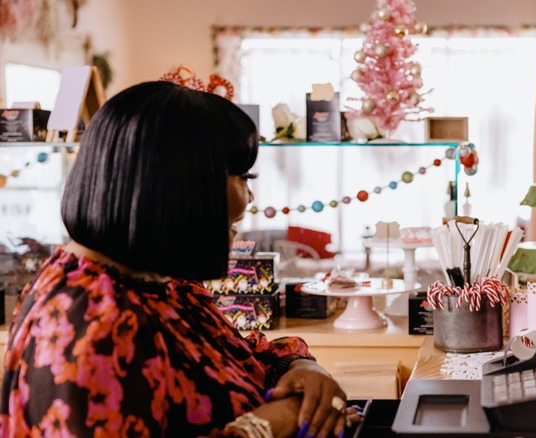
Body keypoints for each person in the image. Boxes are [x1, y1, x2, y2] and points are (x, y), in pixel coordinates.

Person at [0, 81, 360, 437]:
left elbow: (235, 355)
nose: (249, 195)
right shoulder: (92, 327)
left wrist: (303, 370)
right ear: (178, 183)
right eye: (242, 176)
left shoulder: (158, 279)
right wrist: (263, 426)